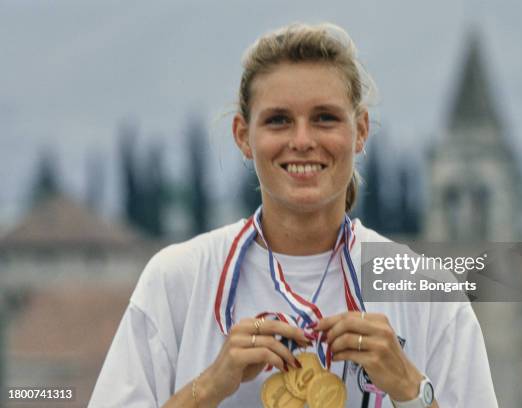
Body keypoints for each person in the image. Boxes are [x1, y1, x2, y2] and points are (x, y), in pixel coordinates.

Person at [89, 22, 498, 407]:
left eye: (325, 118)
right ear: (242, 136)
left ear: (360, 132)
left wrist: (411, 389)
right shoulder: (177, 280)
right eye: (279, 120)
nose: (302, 141)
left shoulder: (426, 292)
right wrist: (210, 385)